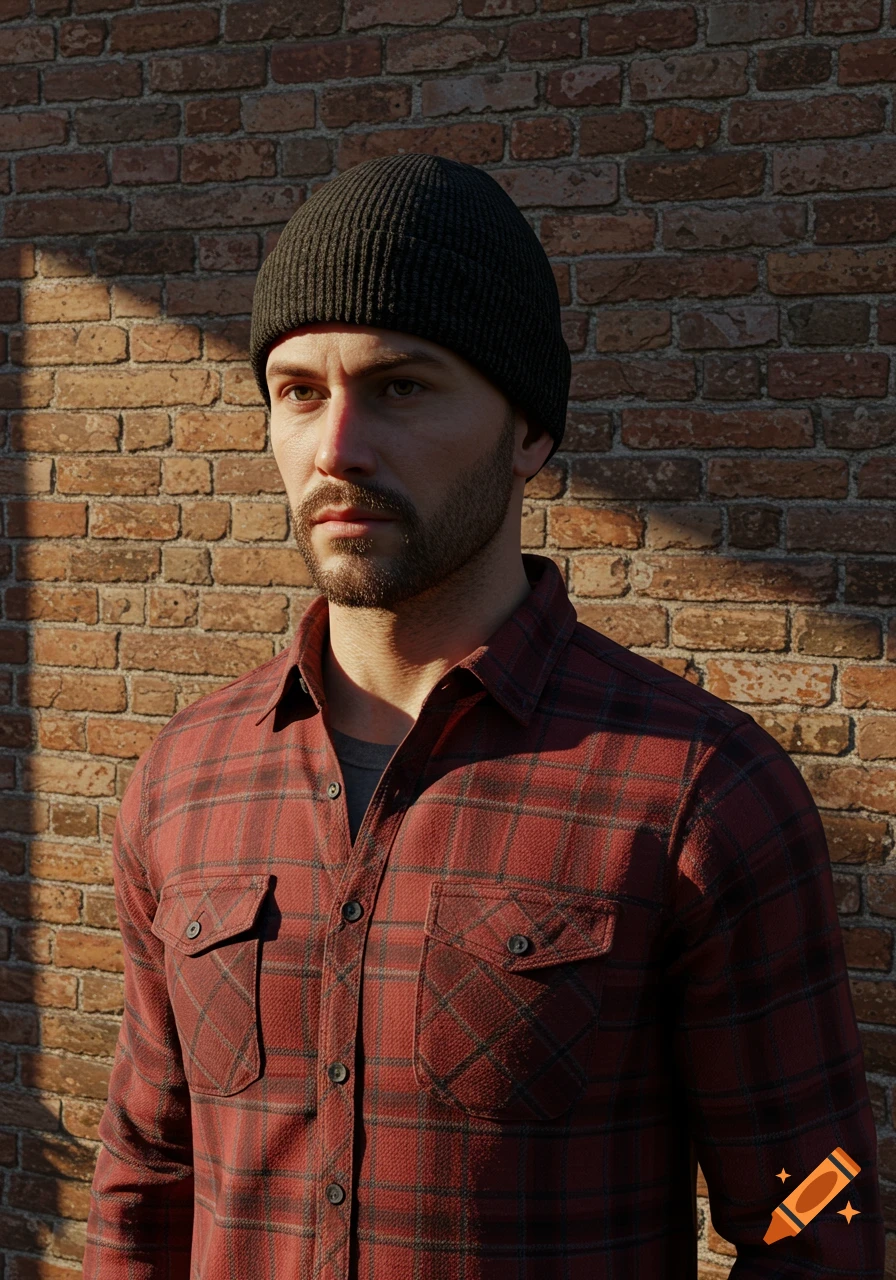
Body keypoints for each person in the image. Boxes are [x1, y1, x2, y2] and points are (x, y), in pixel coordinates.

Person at [83, 152, 884, 1279]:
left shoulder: (701, 790)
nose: (338, 447)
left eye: (403, 386)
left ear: (527, 432)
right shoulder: (185, 779)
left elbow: (818, 1212)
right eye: (299, 391)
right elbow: (146, 1178)